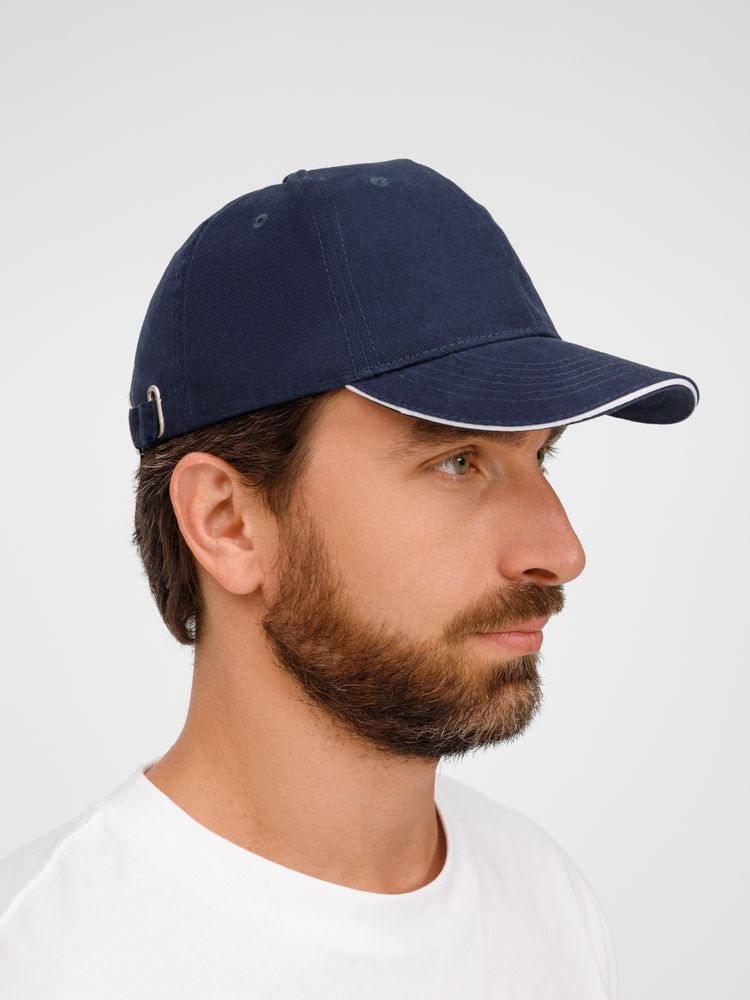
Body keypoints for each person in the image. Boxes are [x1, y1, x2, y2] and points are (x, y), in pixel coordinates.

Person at [0, 158, 699, 998]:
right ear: (227, 522)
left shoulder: (548, 902)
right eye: (457, 461)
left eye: (540, 457)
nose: (562, 550)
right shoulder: (43, 960)